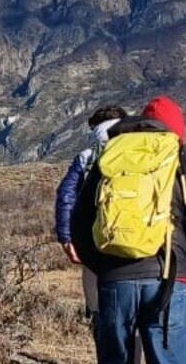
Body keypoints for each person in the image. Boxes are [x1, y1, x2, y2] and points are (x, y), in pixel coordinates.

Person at [71, 96, 186, 364]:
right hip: (168, 278)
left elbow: (79, 222)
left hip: (114, 279)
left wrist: (102, 266)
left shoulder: (110, 158)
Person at [55, 104, 128, 322]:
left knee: (99, 313)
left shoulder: (87, 156)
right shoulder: (144, 154)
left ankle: (96, 319)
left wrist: (66, 237)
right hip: (140, 239)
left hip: (95, 241)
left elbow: (66, 196)